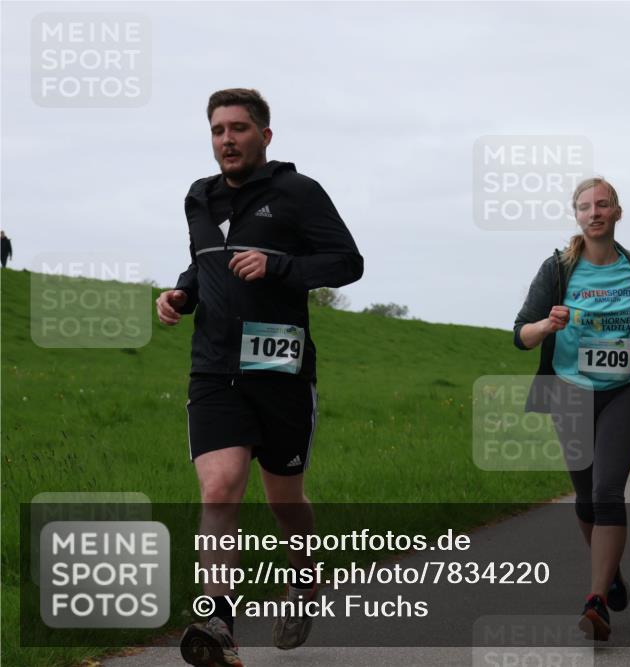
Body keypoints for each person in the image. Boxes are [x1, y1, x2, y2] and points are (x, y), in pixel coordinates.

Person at [157, 89, 364, 667]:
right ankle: (218, 622)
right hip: (214, 368)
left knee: (285, 501)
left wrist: (279, 266)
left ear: (264, 136)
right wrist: (181, 294)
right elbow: (203, 263)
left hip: (280, 370)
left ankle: (304, 579)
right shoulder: (199, 197)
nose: (227, 139)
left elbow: (348, 263)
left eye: (239, 128)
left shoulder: (297, 192)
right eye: (218, 130)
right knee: (220, 488)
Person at [513, 177, 630, 642]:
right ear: (576, 215)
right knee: (585, 498)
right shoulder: (558, 268)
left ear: (617, 212)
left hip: (625, 390)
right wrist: (546, 324)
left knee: (607, 492)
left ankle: (595, 600)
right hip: (570, 392)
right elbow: (520, 335)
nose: (593, 212)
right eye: (584, 206)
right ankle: (609, 571)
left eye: (602, 205)